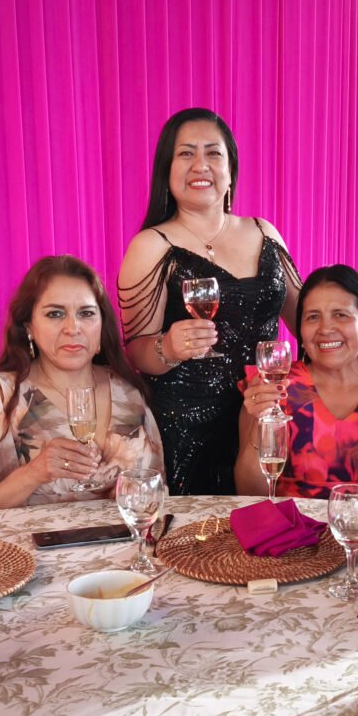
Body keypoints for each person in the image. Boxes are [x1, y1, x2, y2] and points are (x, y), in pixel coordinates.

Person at [118, 108, 301, 494]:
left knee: (266, 524)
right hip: (186, 425)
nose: (200, 165)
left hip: (261, 414)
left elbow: (305, 318)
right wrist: (168, 347)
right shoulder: (151, 245)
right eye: (186, 153)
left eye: (213, 153)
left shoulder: (264, 232)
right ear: (167, 170)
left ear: (230, 169)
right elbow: (135, 351)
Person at [0, 256, 163, 515]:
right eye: (55, 314)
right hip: (29, 543)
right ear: (29, 326)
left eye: (86, 313)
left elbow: (157, 491)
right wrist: (33, 474)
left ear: (101, 324)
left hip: (124, 541)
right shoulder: (0, 395)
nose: (73, 328)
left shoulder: (128, 392)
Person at [235, 265, 358, 503]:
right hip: (291, 527)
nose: (325, 329)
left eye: (340, 315)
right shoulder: (273, 388)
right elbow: (249, 494)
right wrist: (260, 420)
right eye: (313, 317)